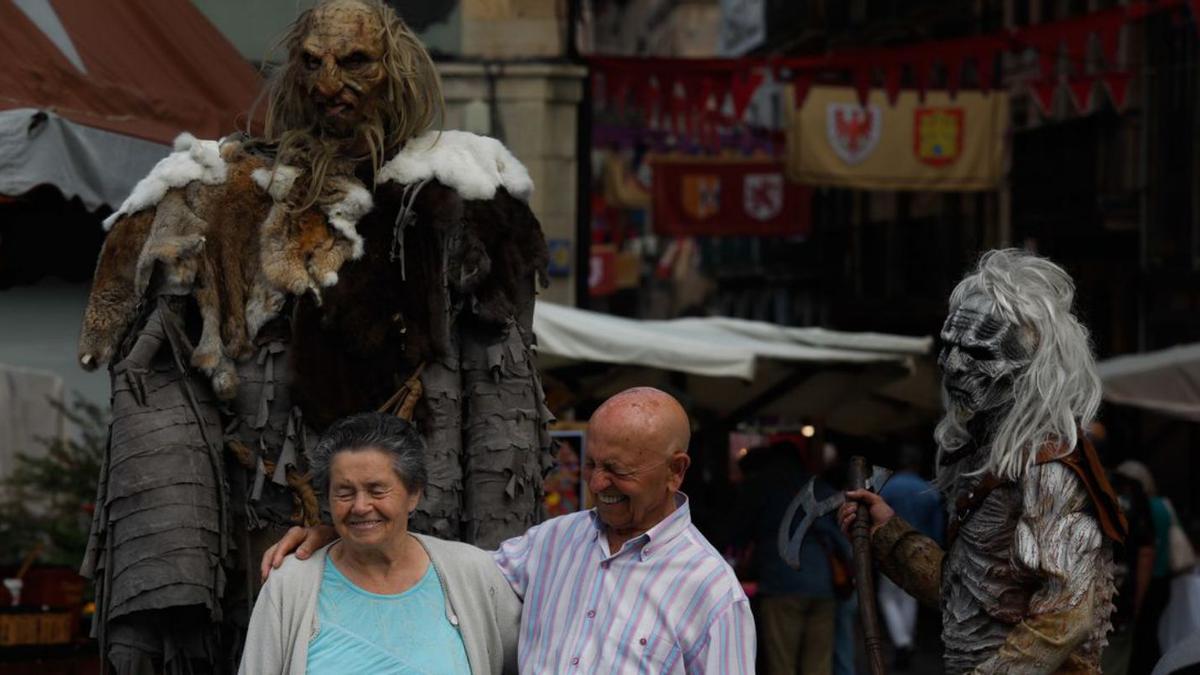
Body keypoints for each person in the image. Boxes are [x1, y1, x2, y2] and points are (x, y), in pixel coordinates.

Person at [78, 0, 550, 670]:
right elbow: (158, 380)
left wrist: (500, 566)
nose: (330, 83)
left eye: (355, 61)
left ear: (395, 70)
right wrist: (170, 570)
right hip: (260, 541)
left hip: (427, 545)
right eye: (314, 63)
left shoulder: (464, 201)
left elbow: (502, 402)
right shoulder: (220, 194)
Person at [264, 387, 757, 673]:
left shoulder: (713, 595)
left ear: (676, 470)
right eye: (594, 465)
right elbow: (443, 573)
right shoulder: (553, 543)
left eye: (620, 471)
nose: (600, 483)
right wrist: (347, 530)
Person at [839, 249, 1127, 673]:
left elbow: (1064, 618)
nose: (953, 365)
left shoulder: (1050, 472)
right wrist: (887, 532)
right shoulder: (988, 464)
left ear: (1032, 366)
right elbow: (966, 594)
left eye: (977, 352)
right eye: (950, 346)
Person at [240, 412, 520, 674]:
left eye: (377, 490)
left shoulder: (472, 572)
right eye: (344, 493)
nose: (361, 506)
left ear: (414, 494)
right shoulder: (291, 584)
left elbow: (534, 660)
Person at [734, 442, 848, 675]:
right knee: (818, 666)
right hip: (822, 585)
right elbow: (842, 538)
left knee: (782, 665)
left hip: (780, 584)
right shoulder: (819, 486)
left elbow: (739, 532)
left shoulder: (760, 486)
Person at [874, 443, 944, 670]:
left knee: (888, 598)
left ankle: (902, 641)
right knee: (910, 596)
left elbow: (876, 519)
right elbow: (938, 527)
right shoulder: (928, 490)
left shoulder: (888, 488)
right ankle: (906, 641)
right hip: (923, 552)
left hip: (891, 550)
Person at [1115, 459, 1175, 672]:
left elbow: (1145, 550)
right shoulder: (1164, 505)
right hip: (1163, 577)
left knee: (1140, 636)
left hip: (1143, 577)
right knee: (1152, 632)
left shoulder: (1139, 508)